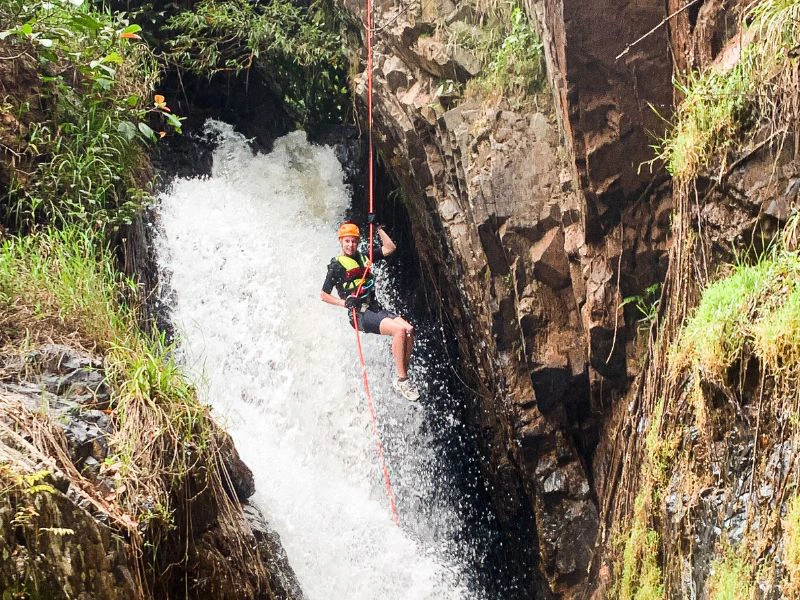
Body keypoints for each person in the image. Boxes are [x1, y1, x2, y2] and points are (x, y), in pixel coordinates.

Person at [320, 221, 420, 401]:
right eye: (347, 241)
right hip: (359, 315)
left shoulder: (364, 256)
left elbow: (389, 248)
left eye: (354, 241)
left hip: (375, 308)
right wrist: (344, 302)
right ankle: (402, 379)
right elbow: (323, 295)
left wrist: (379, 228)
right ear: (341, 242)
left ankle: (401, 376)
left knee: (409, 330)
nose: (351, 245)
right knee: (399, 330)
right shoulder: (336, 266)